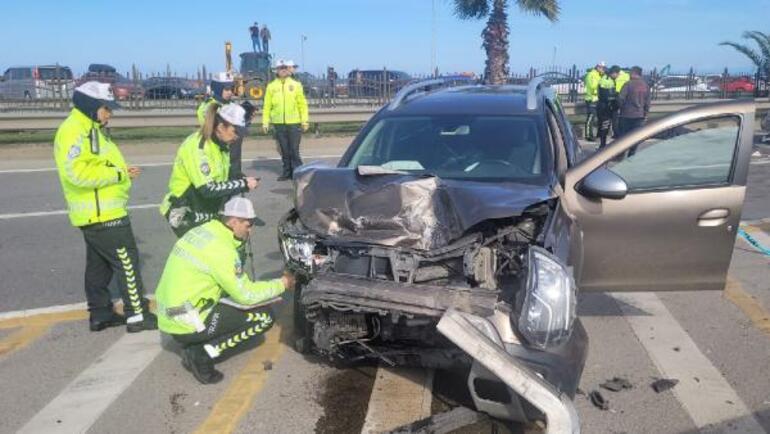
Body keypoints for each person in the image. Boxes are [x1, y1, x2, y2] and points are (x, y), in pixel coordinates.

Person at [155, 197, 296, 384]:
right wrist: (283, 283)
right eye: (248, 224)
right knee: (264, 317)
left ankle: (195, 341)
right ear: (233, 221)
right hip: (187, 322)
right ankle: (201, 354)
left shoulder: (203, 231)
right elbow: (246, 295)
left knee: (233, 298)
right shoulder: (222, 250)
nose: (250, 230)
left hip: (169, 314)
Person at [53, 81, 156, 332]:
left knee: (98, 267)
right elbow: (76, 173)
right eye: (106, 108)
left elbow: (94, 164)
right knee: (127, 262)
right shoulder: (76, 131)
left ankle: (100, 313)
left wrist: (120, 172)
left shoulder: (90, 127)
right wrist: (119, 174)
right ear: (90, 106)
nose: (110, 113)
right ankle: (137, 315)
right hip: (102, 213)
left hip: (96, 213)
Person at [160, 104, 260, 237]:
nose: (237, 137)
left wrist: (241, 179)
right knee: (203, 254)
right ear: (220, 127)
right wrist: (243, 184)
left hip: (205, 207)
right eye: (235, 131)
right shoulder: (198, 148)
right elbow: (208, 189)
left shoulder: (221, 144)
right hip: (185, 210)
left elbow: (224, 176)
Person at [262, 59, 309, 181]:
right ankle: (287, 172)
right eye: (280, 68)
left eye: (284, 68)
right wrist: (265, 122)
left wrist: (304, 121)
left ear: (288, 70)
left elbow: (302, 104)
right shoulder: (271, 86)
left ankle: (298, 172)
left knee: (294, 150)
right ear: (276, 70)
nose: (282, 70)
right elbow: (267, 106)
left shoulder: (296, 85)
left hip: (294, 122)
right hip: (278, 123)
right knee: (284, 149)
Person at [617, 66, 651, 156]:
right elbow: (647, 102)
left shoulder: (628, 84)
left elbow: (620, 98)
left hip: (626, 114)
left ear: (633, 73)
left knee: (623, 137)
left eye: (630, 73)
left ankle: (621, 155)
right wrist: (646, 114)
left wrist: (621, 108)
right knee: (635, 137)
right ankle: (631, 155)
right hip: (639, 115)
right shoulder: (645, 86)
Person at [597, 66, 620, 149]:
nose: (618, 75)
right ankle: (602, 145)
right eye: (617, 73)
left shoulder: (608, 79)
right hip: (605, 107)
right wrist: (616, 96)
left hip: (607, 106)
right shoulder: (606, 80)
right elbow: (606, 96)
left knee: (607, 125)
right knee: (605, 126)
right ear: (613, 73)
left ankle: (603, 144)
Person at [583, 62, 606, 141]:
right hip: (592, 99)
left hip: (597, 99)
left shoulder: (598, 75)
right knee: (591, 117)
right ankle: (588, 135)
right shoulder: (591, 75)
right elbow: (592, 87)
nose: (603, 70)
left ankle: (596, 134)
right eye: (602, 68)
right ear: (598, 67)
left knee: (596, 117)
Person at [612, 68, 631, 137]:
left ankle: (616, 133)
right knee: (622, 116)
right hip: (625, 97)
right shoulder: (627, 76)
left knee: (615, 116)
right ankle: (622, 132)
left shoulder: (616, 76)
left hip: (616, 96)